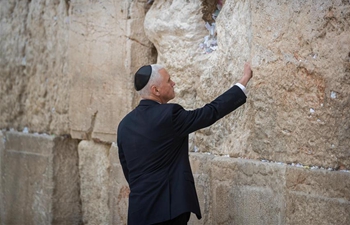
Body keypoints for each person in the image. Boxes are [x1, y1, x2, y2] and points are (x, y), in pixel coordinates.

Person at [117, 63, 253, 225]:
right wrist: (243, 81)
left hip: (139, 211)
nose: (173, 83)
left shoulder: (124, 125)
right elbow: (209, 113)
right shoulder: (169, 115)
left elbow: (129, 171)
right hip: (169, 211)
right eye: (169, 81)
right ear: (156, 90)